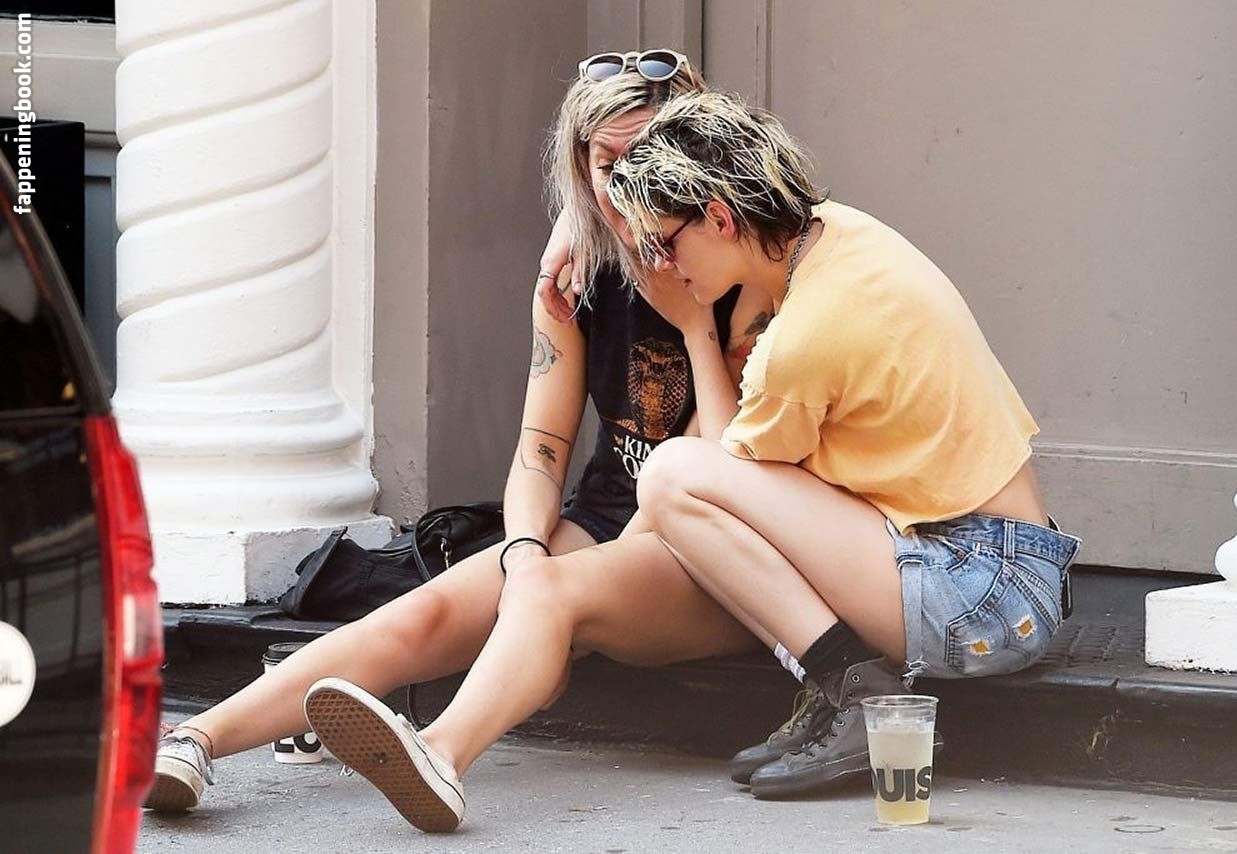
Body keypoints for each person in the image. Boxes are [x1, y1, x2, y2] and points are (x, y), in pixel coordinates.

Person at [144, 53, 782, 816]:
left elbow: (721, 475)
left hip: (711, 555)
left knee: (552, 593)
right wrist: (525, 552)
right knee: (431, 609)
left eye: (645, 161)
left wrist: (694, 327)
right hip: (606, 521)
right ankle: (197, 740)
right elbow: (541, 449)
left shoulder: (737, 273)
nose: (624, 191)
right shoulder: (578, 277)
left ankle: (439, 753)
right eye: (607, 166)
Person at [598, 90, 1085, 799]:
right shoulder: (840, 235)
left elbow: (715, 490)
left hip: (980, 594)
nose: (662, 265)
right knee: (684, 484)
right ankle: (839, 691)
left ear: (721, 219)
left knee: (673, 474)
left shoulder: (803, 339)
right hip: (1006, 572)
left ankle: (856, 692)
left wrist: (589, 586)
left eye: (664, 242)